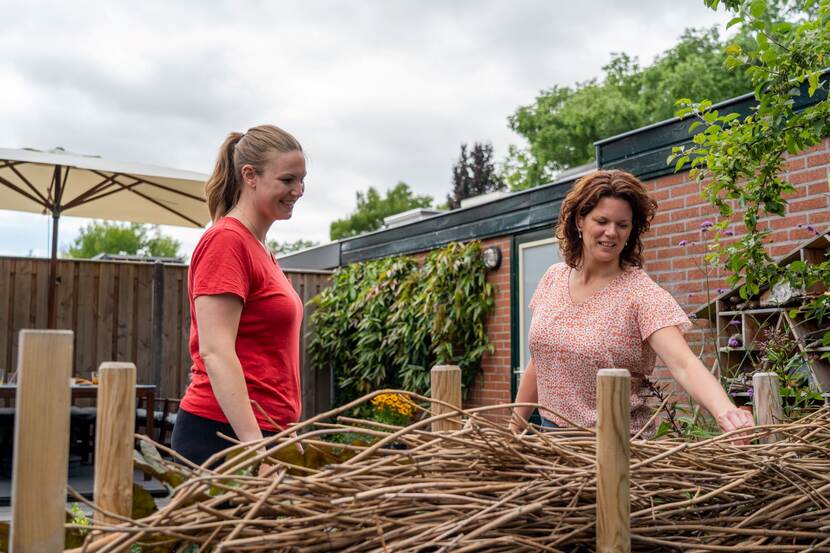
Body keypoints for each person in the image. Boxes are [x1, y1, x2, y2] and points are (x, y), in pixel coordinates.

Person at [510, 170, 754, 438]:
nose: (611, 233)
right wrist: (514, 428)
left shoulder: (640, 294)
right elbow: (542, 359)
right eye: (601, 221)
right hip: (551, 438)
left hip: (616, 445)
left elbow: (684, 364)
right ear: (580, 220)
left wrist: (725, 411)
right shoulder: (554, 277)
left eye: (622, 225)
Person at [172, 124, 306, 465]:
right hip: (223, 435)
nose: (299, 190)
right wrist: (254, 447)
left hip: (262, 432)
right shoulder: (226, 242)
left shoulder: (261, 250)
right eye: (288, 180)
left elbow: (269, 358)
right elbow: (215, 352)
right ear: (250, 175)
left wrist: (287, 433)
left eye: (302, 180)